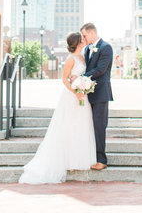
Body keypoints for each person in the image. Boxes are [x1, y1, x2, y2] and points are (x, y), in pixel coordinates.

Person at [19, 31, 96, 184]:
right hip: (72, 97)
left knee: (81, 126)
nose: (85, 39)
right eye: (82, 38)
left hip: (83, 95)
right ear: (78, 42)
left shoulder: (83, 55)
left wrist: (83, 84)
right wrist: (76, 92)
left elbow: (82, 74)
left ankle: (77, 159)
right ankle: (67, 160)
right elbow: (64, 79)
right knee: (68, 126)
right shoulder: (70, 59)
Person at [80, 22, 113, 171]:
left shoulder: (106, 48)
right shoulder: (87, 49)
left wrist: (80, 77)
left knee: (100, 126)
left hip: (101, 93)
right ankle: (91, 156)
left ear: (92, 33)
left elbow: (100, 69)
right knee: (90, 126)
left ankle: (101, 159)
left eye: (85, 35)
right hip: (89, 93)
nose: (83, 38)